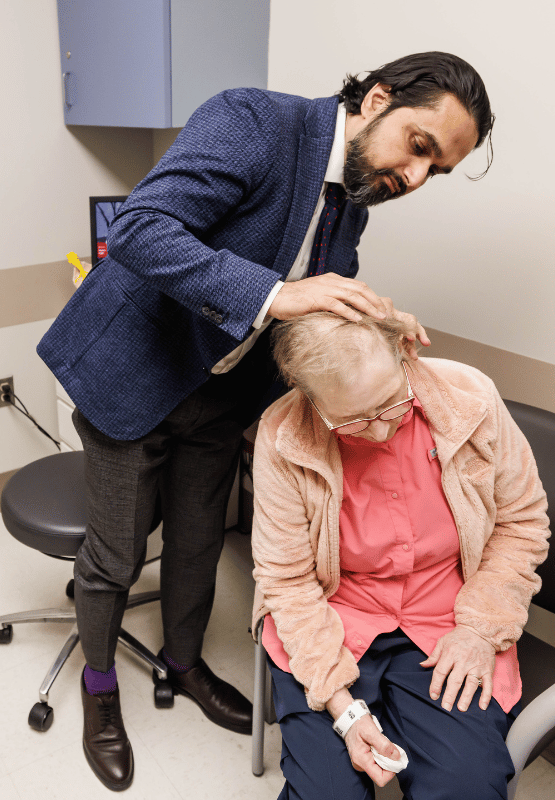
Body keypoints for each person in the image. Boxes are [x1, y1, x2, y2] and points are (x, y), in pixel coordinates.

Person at [37, 52, 493, 790]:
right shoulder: (255, 121)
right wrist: (280, 295)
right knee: (117, 554)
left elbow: (311, 308)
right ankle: (99, 691)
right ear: (377, 99)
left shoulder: (353, 201)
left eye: (433, 172)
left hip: (219, 398)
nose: (414, 178)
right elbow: (143, 230)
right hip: (133, 375)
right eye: (419, 146)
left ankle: (183, 666)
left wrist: (374, 328)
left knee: (198, 542)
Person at [251, 312, 550, 800]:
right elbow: (287, 581)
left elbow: (522, 522)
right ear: (312, 401)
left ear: (405, 352)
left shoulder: (469, 399)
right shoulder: (284, 436)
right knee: (328, 792)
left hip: (447, 617)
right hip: (333, 618)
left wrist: (479, 629)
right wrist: (344, 712)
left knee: (466, 785)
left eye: (392, 404)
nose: (379, 433)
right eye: (352, 420)